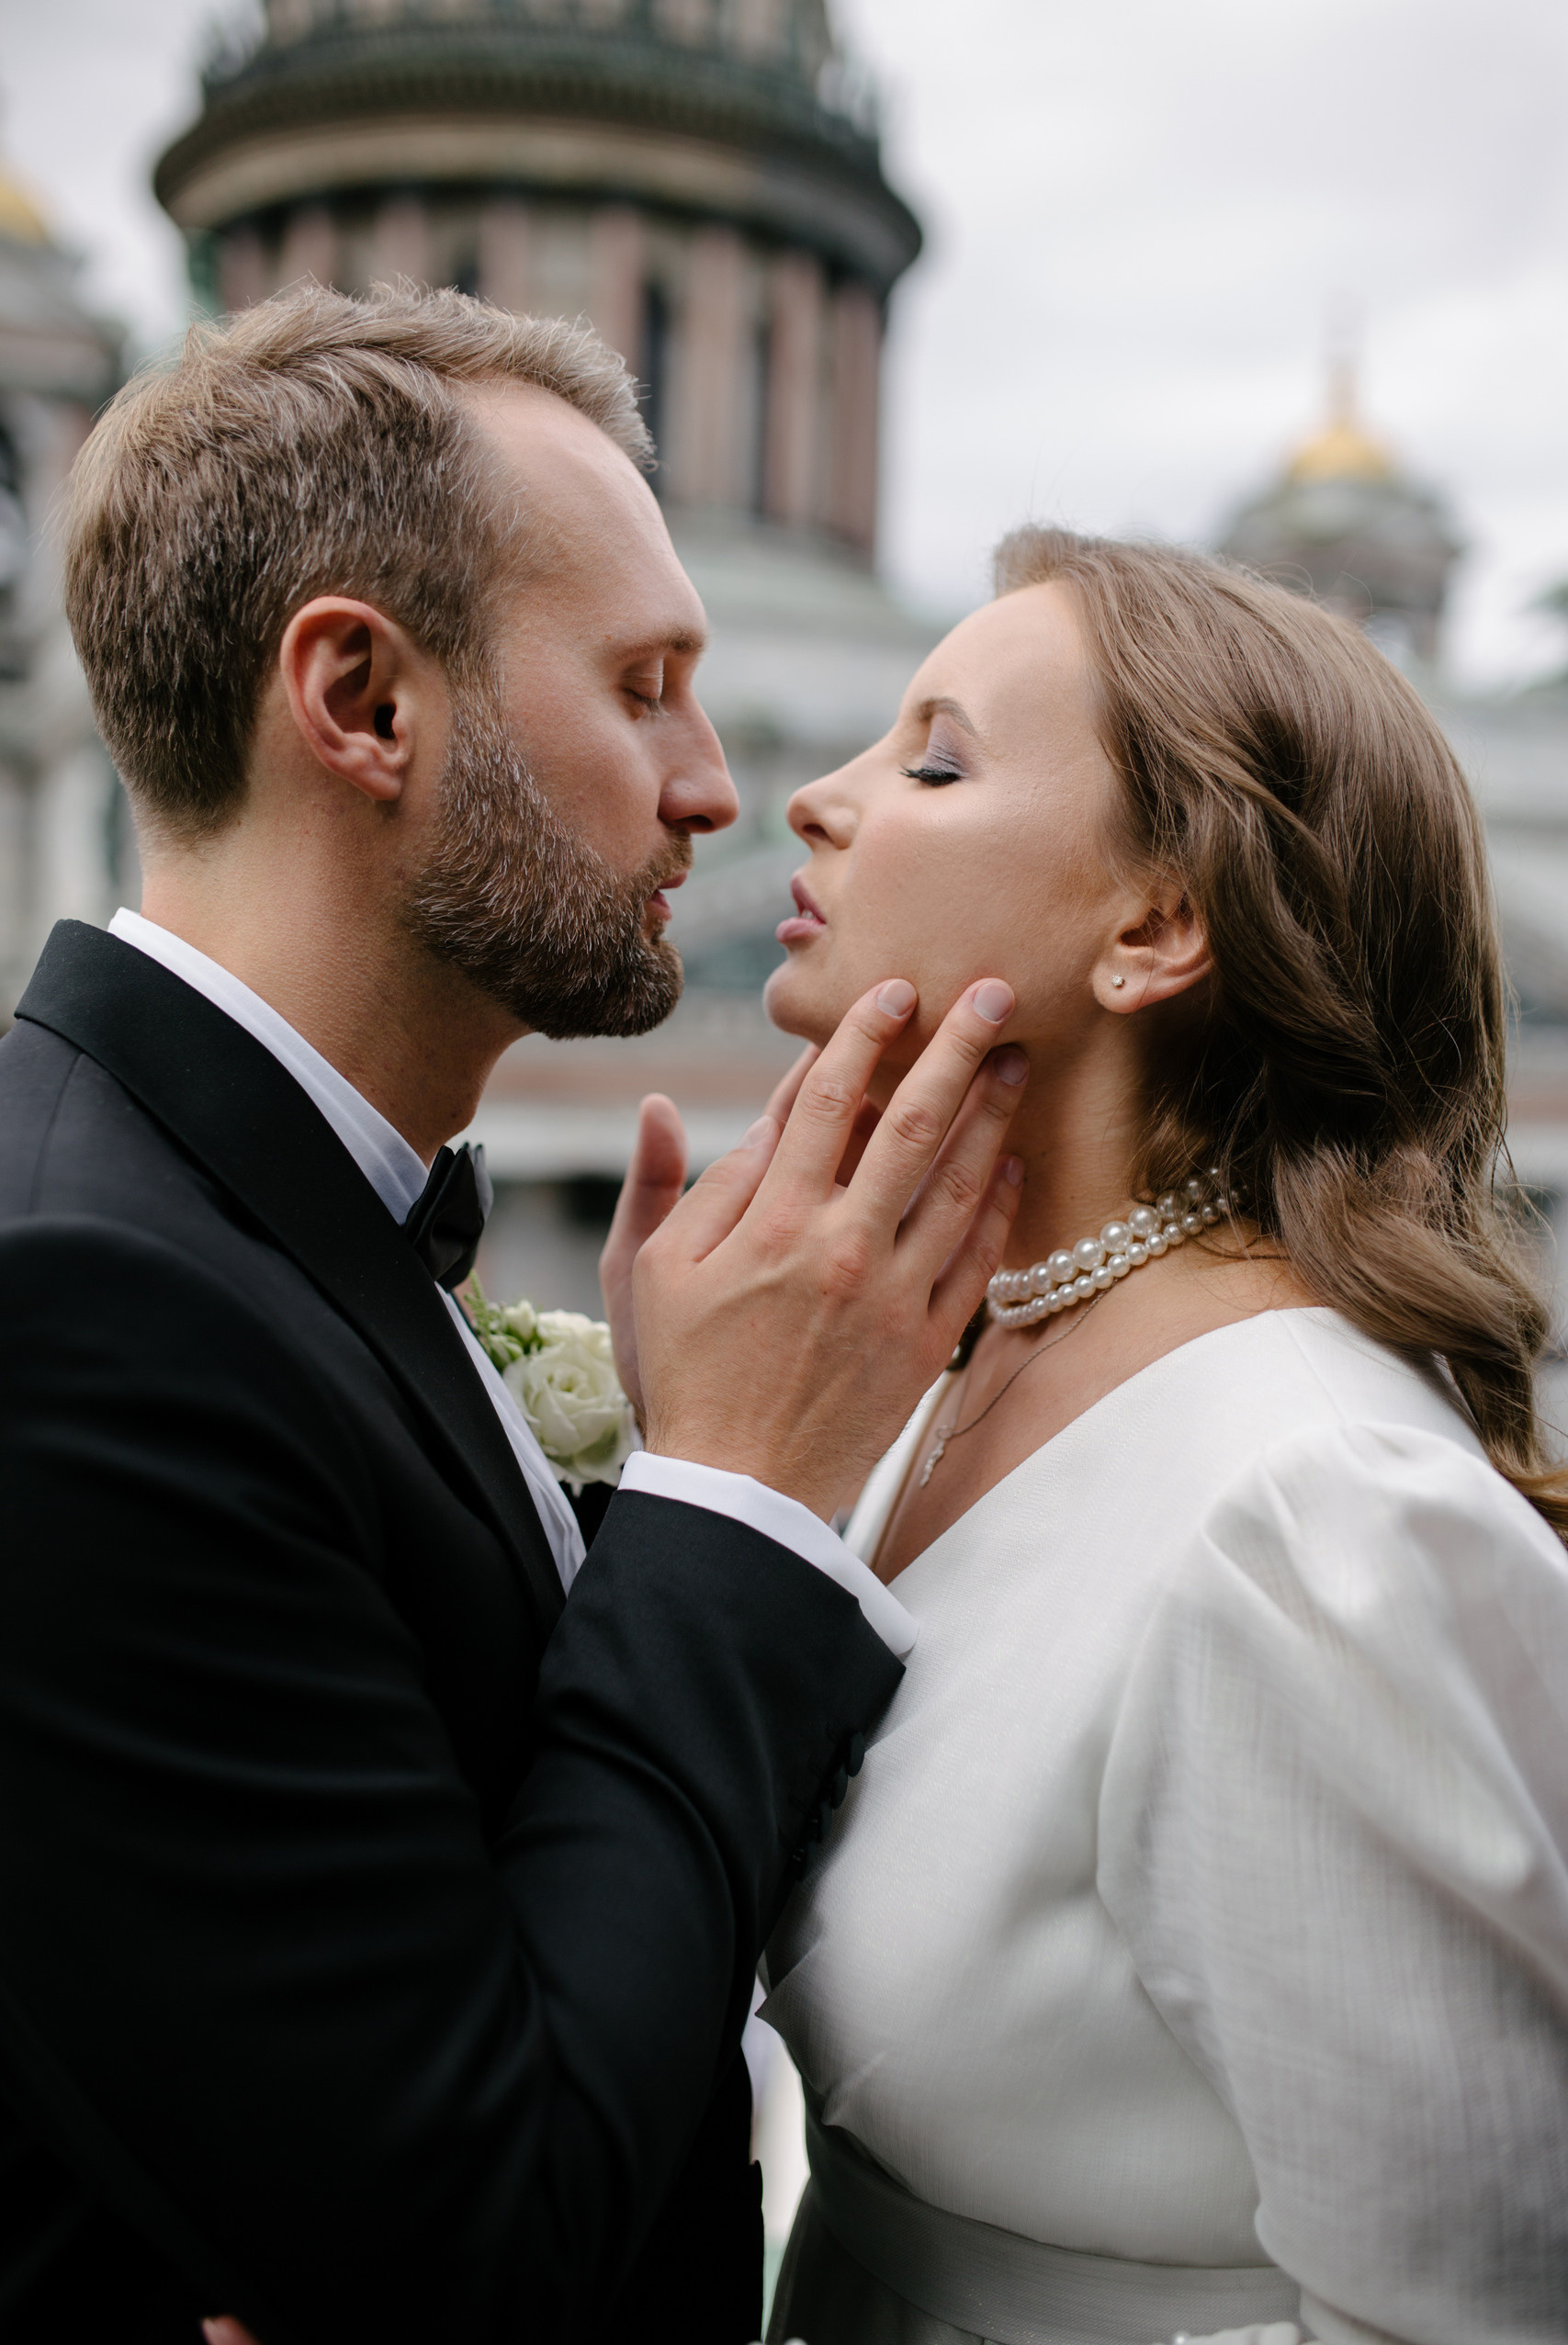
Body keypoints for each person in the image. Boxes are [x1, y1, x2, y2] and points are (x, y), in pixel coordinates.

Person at [0, 284, 1033, 2344]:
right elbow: (475, 2240)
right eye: (644, 687)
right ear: (362, 701)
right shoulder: (86, 1312)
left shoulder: (235, 1225)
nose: (716, 790)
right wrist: (731, 1491)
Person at [749, 528, 1568, 2345]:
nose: (813, 797)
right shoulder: (949, 1376)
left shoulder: (1309, 1517)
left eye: (932, 761)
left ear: (1151, 930)